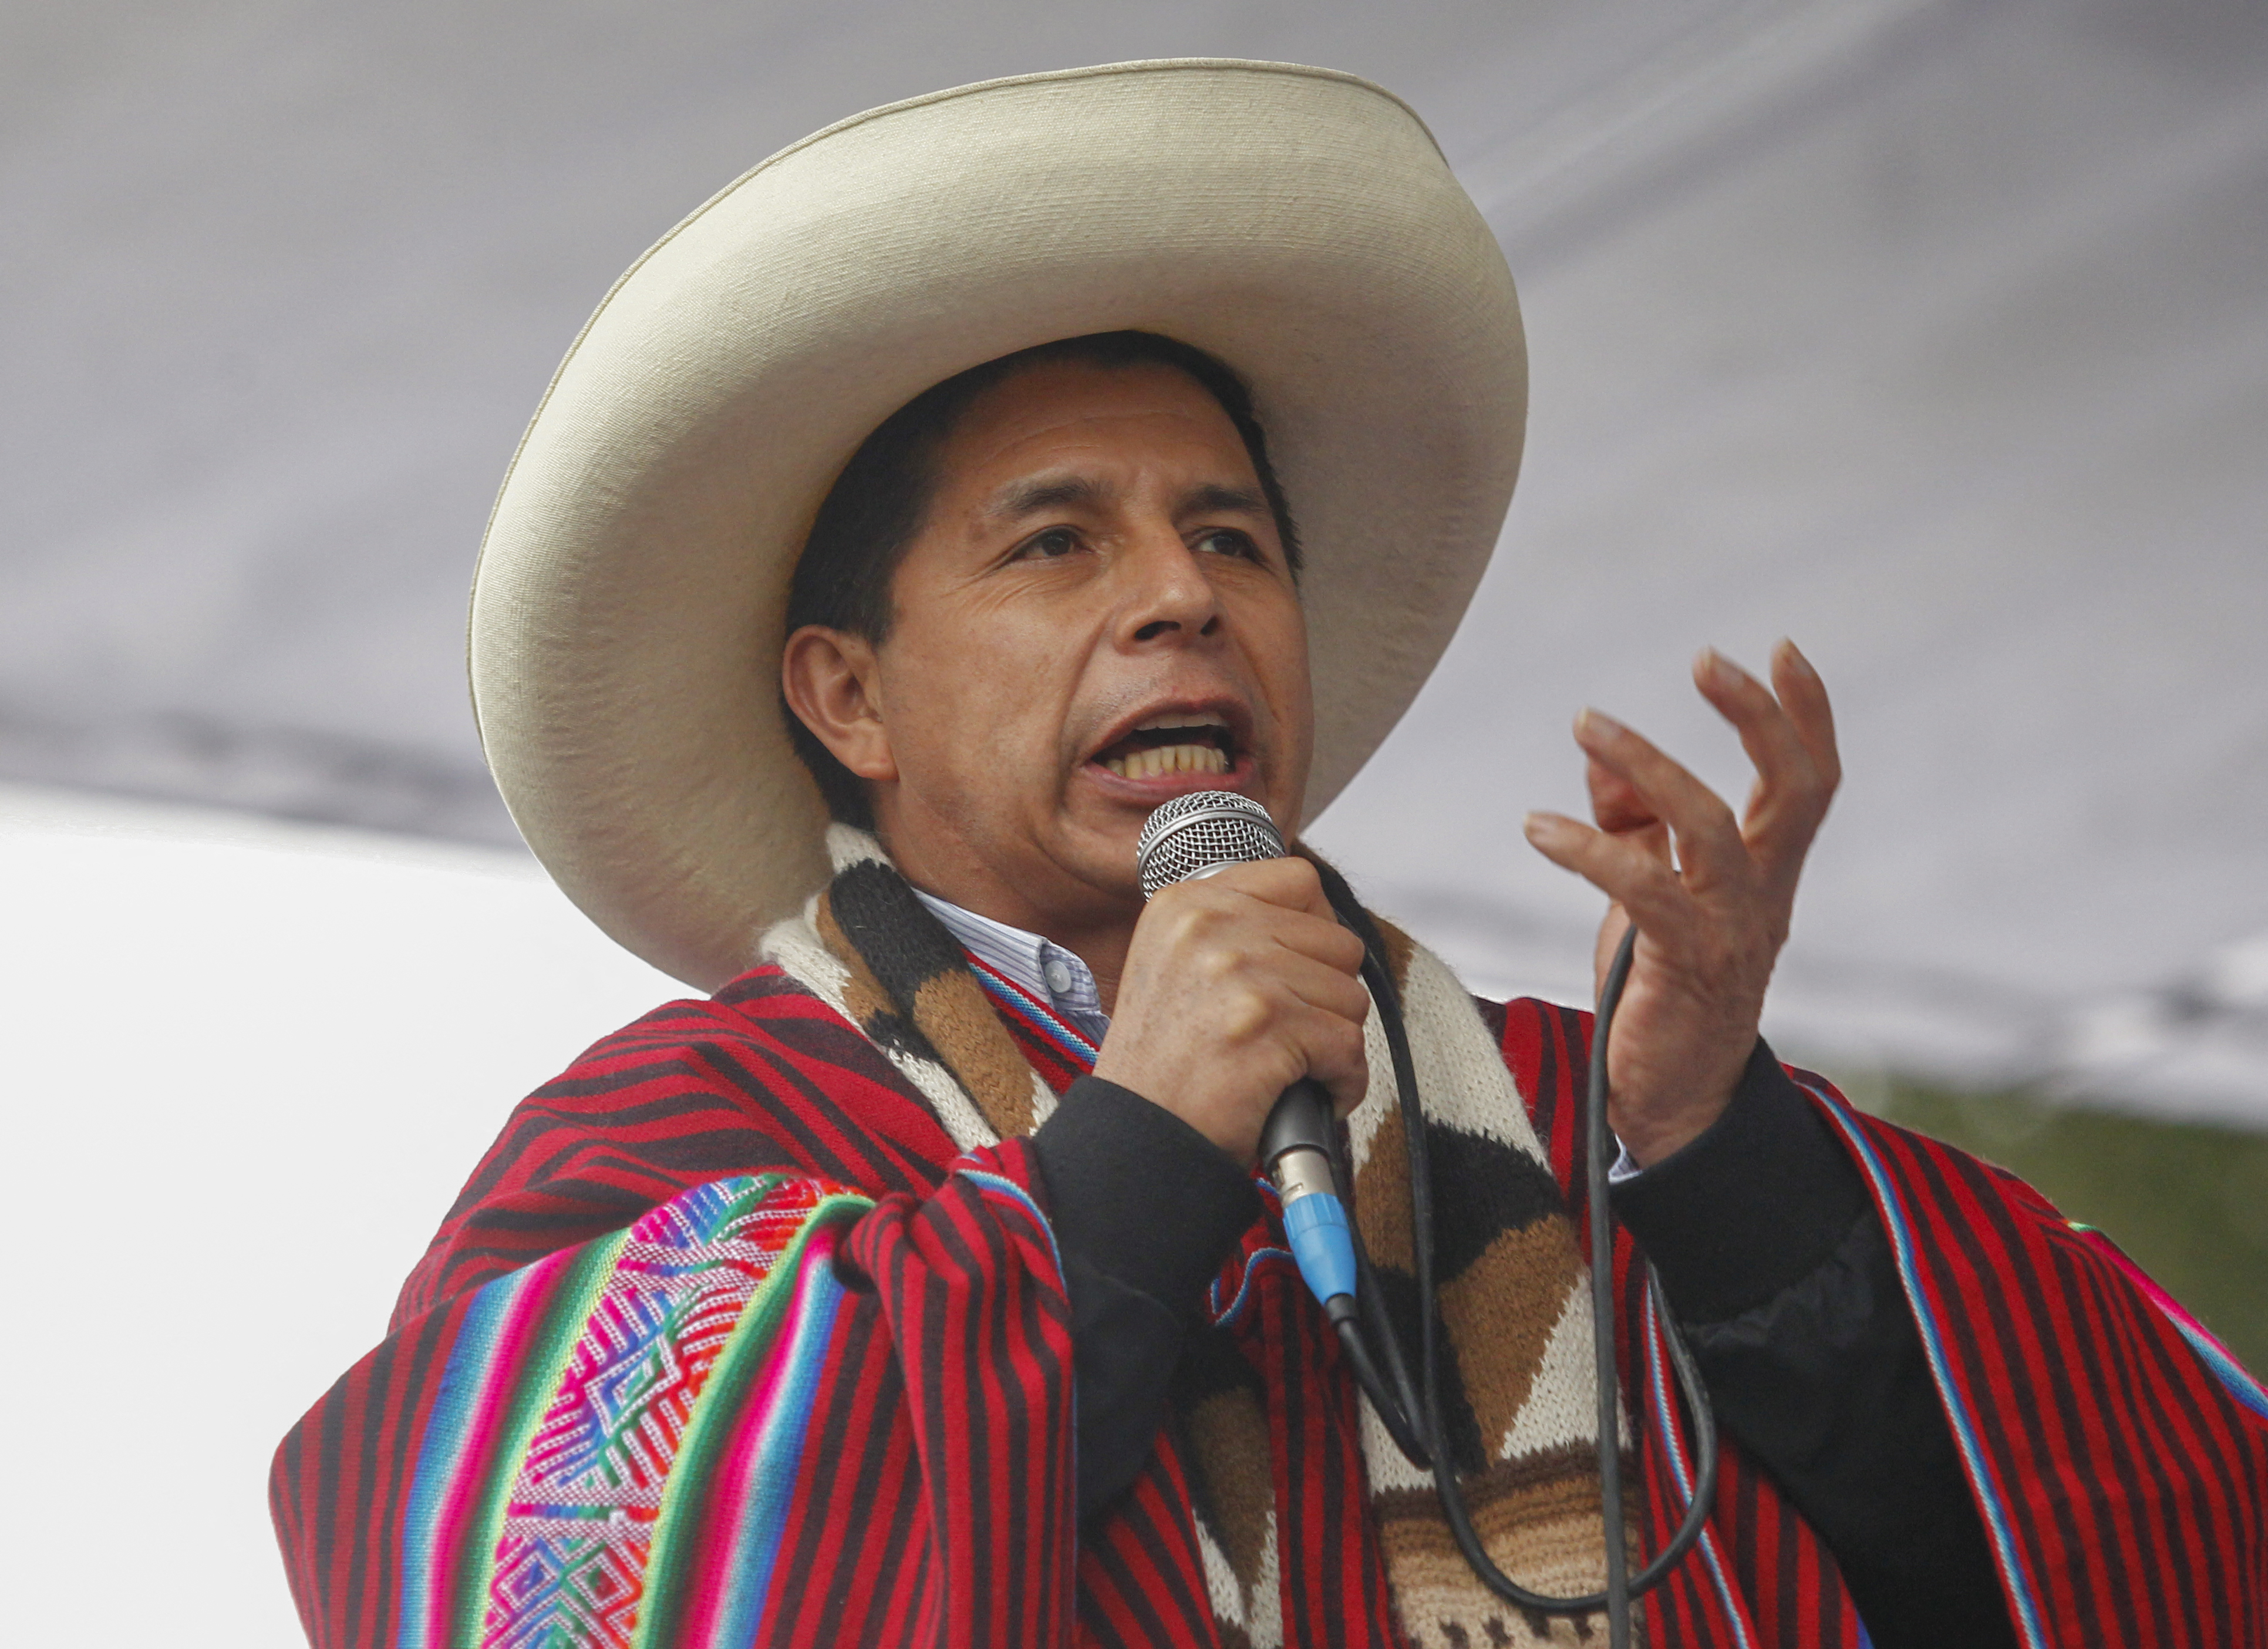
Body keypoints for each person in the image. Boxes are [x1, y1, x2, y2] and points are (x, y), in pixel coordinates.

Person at [271, 61, 2266, 1649]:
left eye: (1232, 540)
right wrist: (1131, 1155)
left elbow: (2162, 1554)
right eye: (1060, 542)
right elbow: (519, 1580)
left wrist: (1724, 1155)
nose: (1182, 598)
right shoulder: (698, 1129)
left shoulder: (1584, 1115)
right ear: (846, 697)